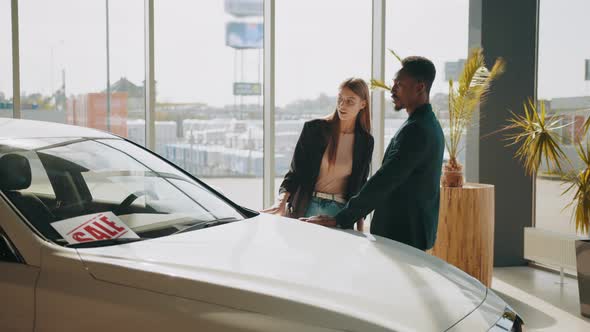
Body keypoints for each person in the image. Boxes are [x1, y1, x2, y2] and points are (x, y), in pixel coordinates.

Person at [301, 56, 445, 251]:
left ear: (419, 87)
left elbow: (385, 180)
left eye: (399, 84)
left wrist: (341, 219)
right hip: (411, 230)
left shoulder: (417, 129)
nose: (392, 90)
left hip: (403, 232)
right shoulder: (426, 124)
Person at [262, 78, 374, 231]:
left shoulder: (365, 141)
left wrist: (360, 228)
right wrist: (281, 202)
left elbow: (360, 185)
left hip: (337, 214)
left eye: (350, 101)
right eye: (340, 99)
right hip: (305, 207)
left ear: (363, 104)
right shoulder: (314, 129)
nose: (342, 105)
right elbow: (295, 172)